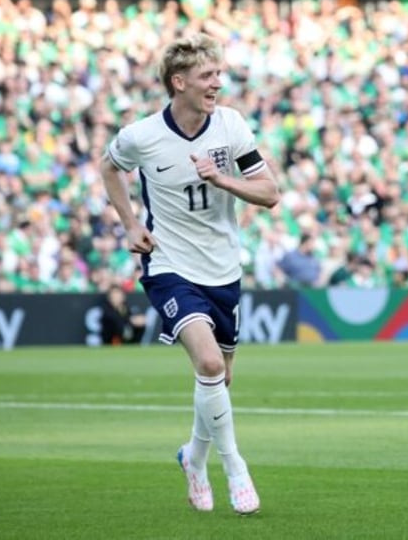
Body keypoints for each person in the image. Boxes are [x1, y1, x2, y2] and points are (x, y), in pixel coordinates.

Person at [100, 33, 280, 515]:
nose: (217, 83)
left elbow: (270, 192)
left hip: (223, 267)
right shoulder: (142, 135)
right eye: (207, 76)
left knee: (220, 381)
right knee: (209, 365)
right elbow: (109, 167)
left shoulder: (231, 125)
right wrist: (131, 223)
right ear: (178, 83)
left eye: (219, 74)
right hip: (169, 265)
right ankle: (235, 465)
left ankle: (193, 459)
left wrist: (222, 179)